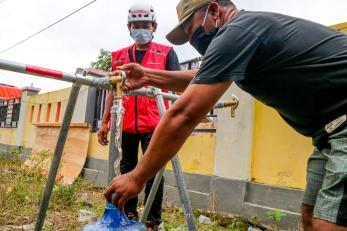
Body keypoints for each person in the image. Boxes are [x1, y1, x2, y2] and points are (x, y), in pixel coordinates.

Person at [104, 0, 347, 230]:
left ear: (213, 11)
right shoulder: (242, 36)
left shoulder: (238, 31)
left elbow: (184, 115)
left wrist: (136, 177)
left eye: (191, 30)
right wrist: (148, 75)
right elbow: (199, 78)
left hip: (342, 126)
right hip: (326, 134)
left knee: (330, 224)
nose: (192, 40)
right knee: (311, 212)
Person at [91, 2, 180, 230]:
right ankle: (128, 216)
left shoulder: (166, 53)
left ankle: (152, 221)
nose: (140, 29)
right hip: (126, 124)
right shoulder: (119, 56)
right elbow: (114, 89)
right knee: (126, 171)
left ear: (154, 26)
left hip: (155, 125)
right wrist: (104, 122)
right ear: (128, 27)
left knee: (154, 173)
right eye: (135, 25)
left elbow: (178, 85)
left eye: (145, 25)